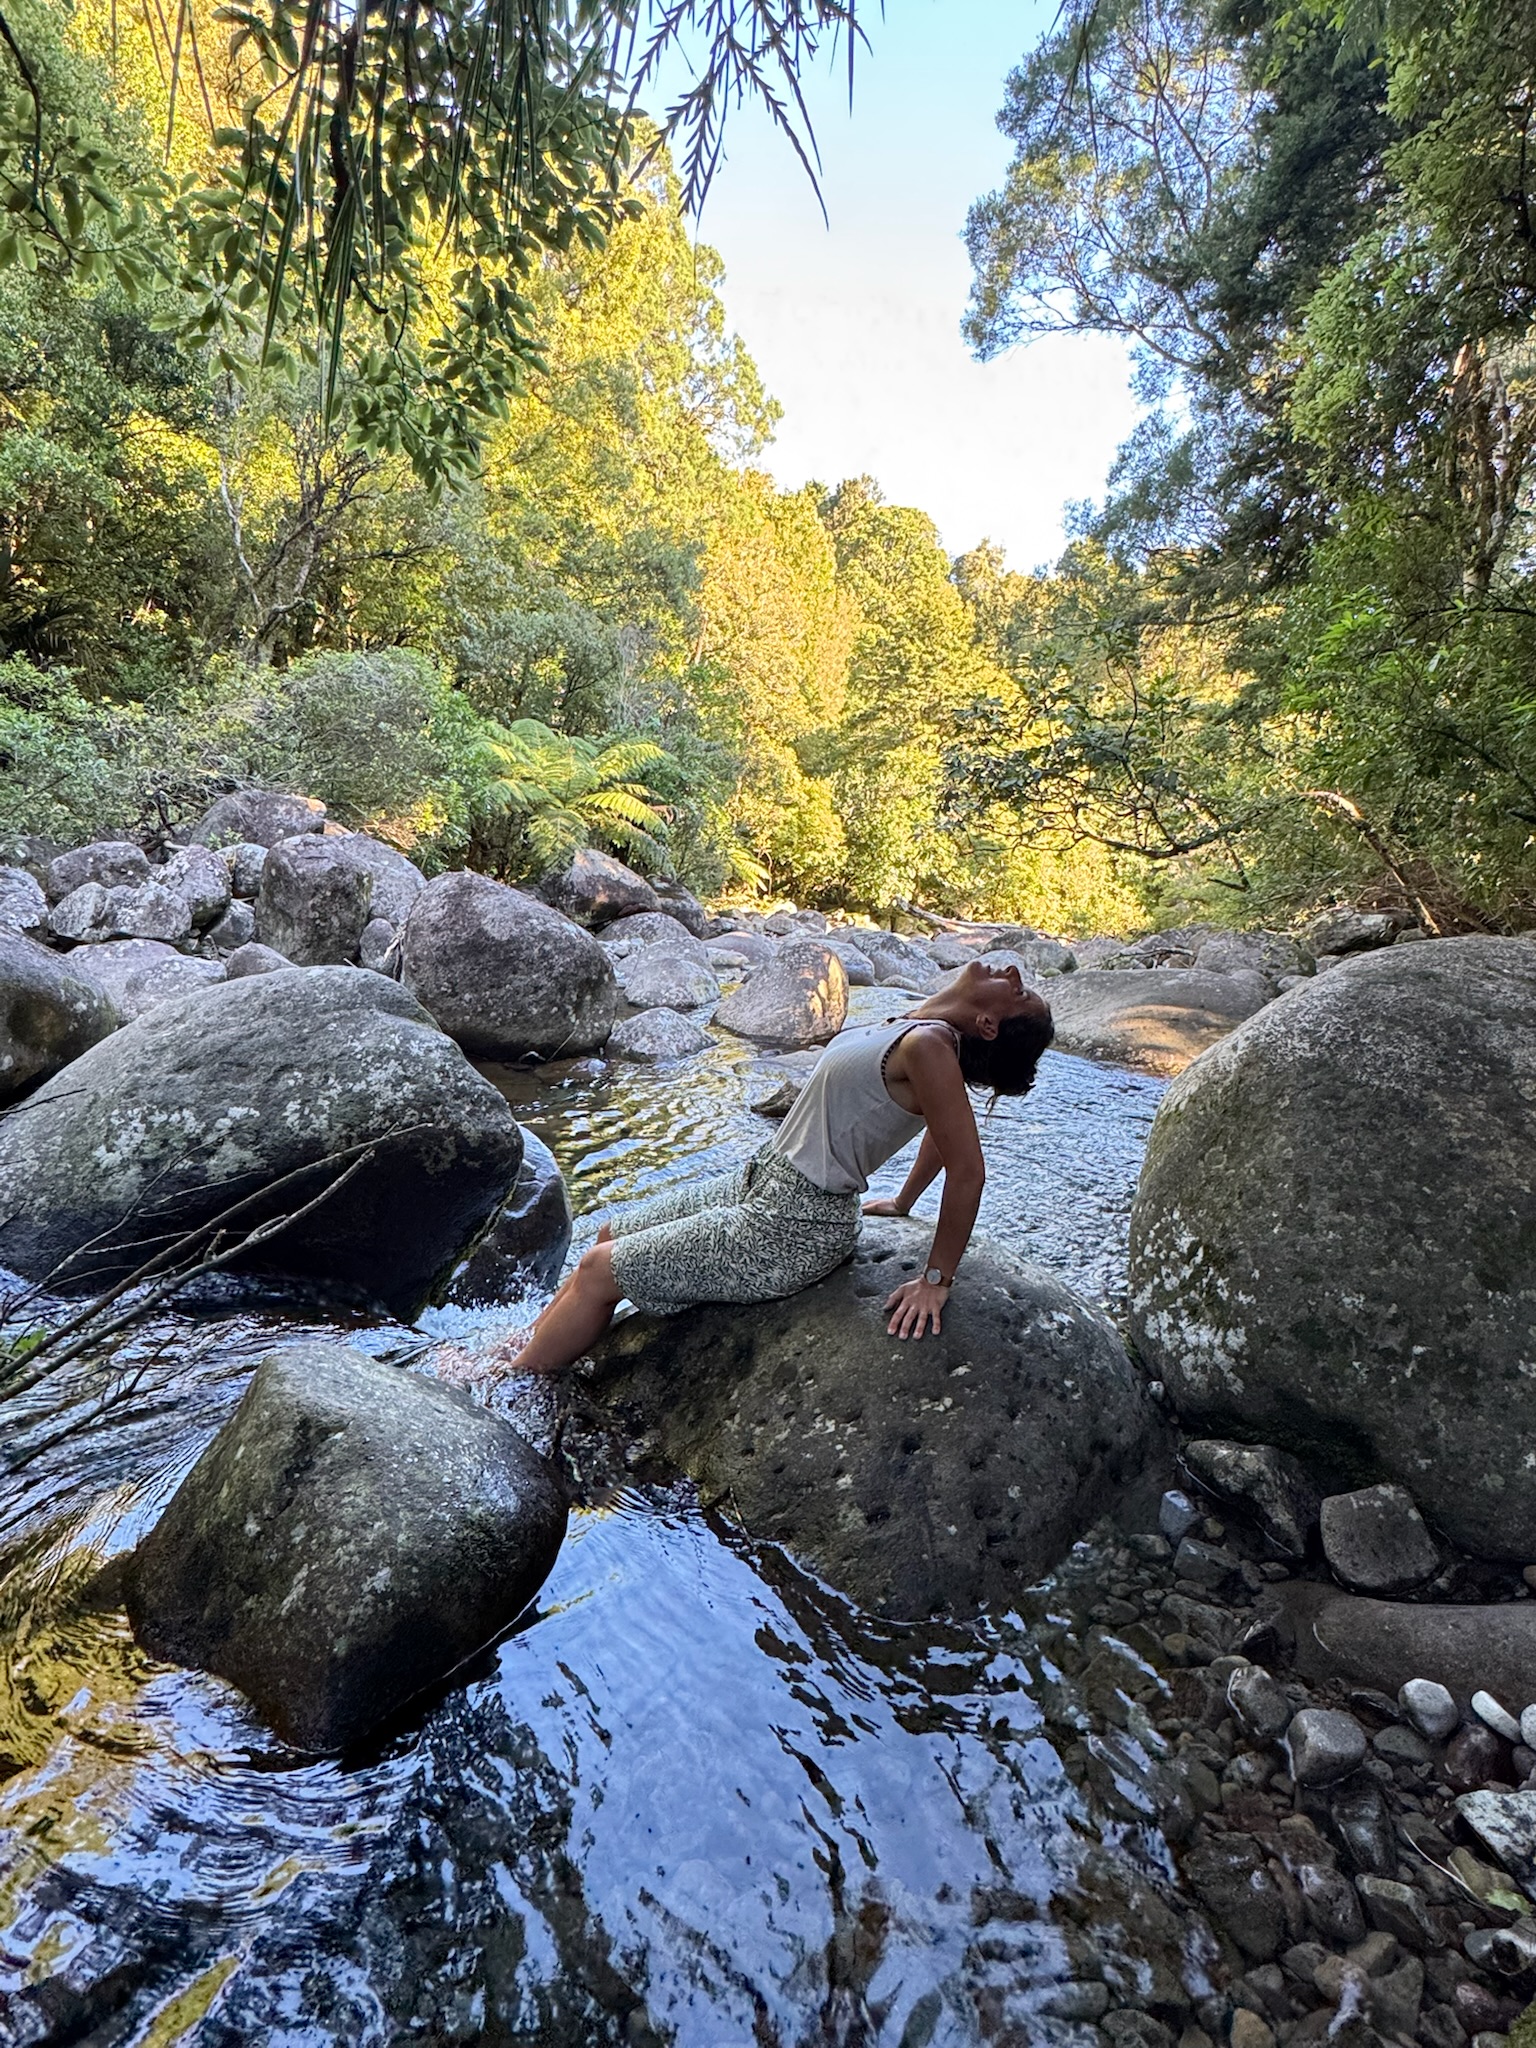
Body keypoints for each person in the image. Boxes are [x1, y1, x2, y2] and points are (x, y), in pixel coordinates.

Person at [459, 957, 1053, 1381]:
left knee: (597, 1270)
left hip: (793, 1226)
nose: (1016, 976)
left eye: (1021, 994)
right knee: (611, 1234)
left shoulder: (931, 1047)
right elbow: (941, 1135)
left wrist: (936, 1280)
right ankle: (531, 1342)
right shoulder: (915, 1029)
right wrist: (901, 1201)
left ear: (990, 1026)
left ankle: (511, 1383)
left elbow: (967, 1168)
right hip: (759, 1181)